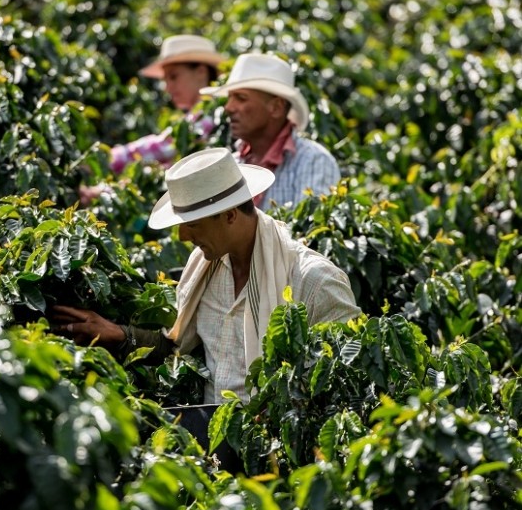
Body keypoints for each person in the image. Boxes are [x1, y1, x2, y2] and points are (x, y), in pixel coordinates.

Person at [53, 148, 361, 405]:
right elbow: (177, 345)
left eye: (193, 224)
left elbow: (347, 385)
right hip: (214, 444)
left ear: (229, 216)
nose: (183, 235)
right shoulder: (205, 267)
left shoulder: (314, 281)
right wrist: (119, 334)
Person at [199, 53, 341, 209]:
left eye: (241, 98)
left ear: (276, 107)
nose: (229, 107)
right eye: (230, 98)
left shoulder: (313, 161)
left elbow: (308, 230)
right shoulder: (232, 164)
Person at [107, 34, 226, 173]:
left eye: (173, 76)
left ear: (201, 72)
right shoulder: (196, 115)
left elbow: (165, 146)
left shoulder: (211, 113)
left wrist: (107, 158)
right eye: (165, 79)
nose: (167, 87)